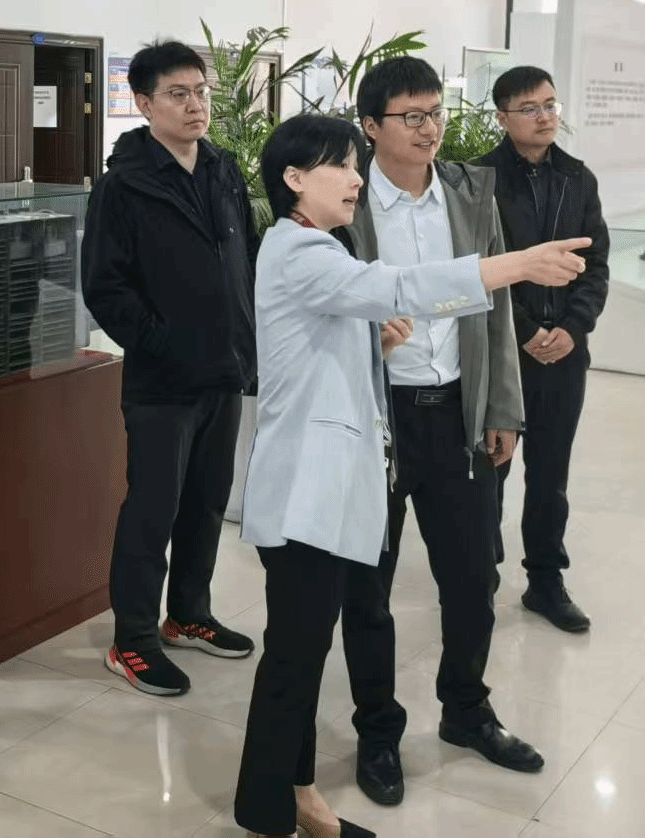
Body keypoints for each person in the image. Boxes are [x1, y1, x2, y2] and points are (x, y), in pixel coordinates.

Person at [234, 114, 590, 838]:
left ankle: (292, 800)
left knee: (299, 657)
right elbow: (402, 285)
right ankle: (274, 812)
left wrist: (378, 341)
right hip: (305, 493)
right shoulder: (301, 249)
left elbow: (331, 342)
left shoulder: (314, 248)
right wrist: (516, 265)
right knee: (294, 661)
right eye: (341, 166)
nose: (356, 180)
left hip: (319, 490)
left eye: (355, 165)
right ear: (294, 178)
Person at [338, 57, 539, 809]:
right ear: (371, 126)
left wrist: (501, 407)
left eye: (435, 114)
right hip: (379, 420)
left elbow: (497, 306)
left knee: (472, 578)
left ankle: (465, 708)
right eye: (411, 116)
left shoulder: (467, 193)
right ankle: (378, 729)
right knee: (369, 586)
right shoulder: (346, 203)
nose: (430, 129)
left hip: (458, 412)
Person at [81, 41, 259, 697]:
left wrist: (245, 342)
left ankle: (188, 613)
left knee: (207, 502)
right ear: (144, 103)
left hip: (225, 372)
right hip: (163, 382)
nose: (195, 105)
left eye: (201, 92)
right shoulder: (123, 185)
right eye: (178, 94)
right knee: (153, 510)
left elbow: (246, 259)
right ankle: (132, 639)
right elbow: (105, 289)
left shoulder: (221, 168)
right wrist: (167, 345)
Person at [477, 66, 611, 634]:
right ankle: (479, 575)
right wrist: (526, 330)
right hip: (504, 353)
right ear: (503, 117)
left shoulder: (578, 178)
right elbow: (479, 268)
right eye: (530, 108)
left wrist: (573, 329)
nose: (544, 116)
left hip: (564, 353)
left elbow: (596, 264)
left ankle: (546, 581)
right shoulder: (479, 179)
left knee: (551, 473)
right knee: (490, 469)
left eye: (551, 104)